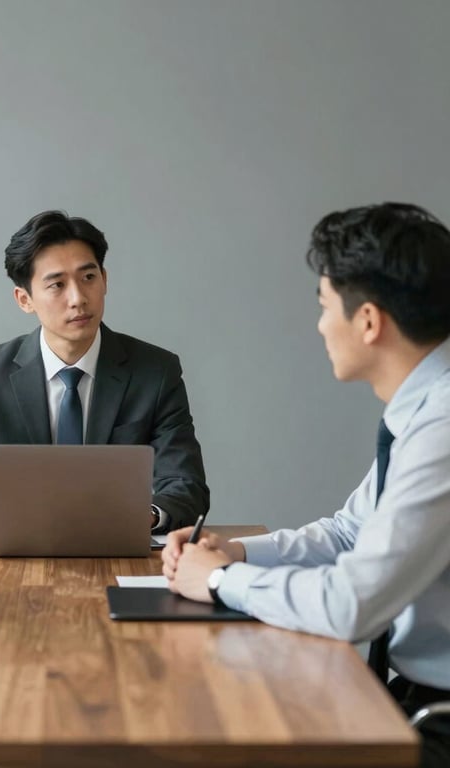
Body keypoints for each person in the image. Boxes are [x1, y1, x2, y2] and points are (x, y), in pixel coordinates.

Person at [162, 202, 450, 768]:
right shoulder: (422, 412)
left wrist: (221, 581)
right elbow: (350, 532)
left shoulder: (442, 428)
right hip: (413, 698)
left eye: (323, 307)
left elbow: (353, 605)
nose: (320, 325)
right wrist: (238, 551)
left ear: (368, 321)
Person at [0, 210, 209, 534]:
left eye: (88, 278)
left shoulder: (156, 372)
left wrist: (145, 516)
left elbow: (187, 487)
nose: (77, 298)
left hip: (117, 547)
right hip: (17, 549)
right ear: (24, 299)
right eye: (57, 285)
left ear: (105, 279)